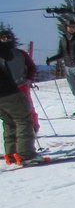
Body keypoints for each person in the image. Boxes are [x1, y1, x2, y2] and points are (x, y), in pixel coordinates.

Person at [0, 30, 38, 165]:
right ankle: (26, 154)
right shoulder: (10, 51)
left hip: (14, 88)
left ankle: (11, 153)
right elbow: (7, 55)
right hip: (8, 90)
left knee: (9, 121)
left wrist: (29, 78)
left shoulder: (21, 54)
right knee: (23, 119)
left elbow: (31, 67)